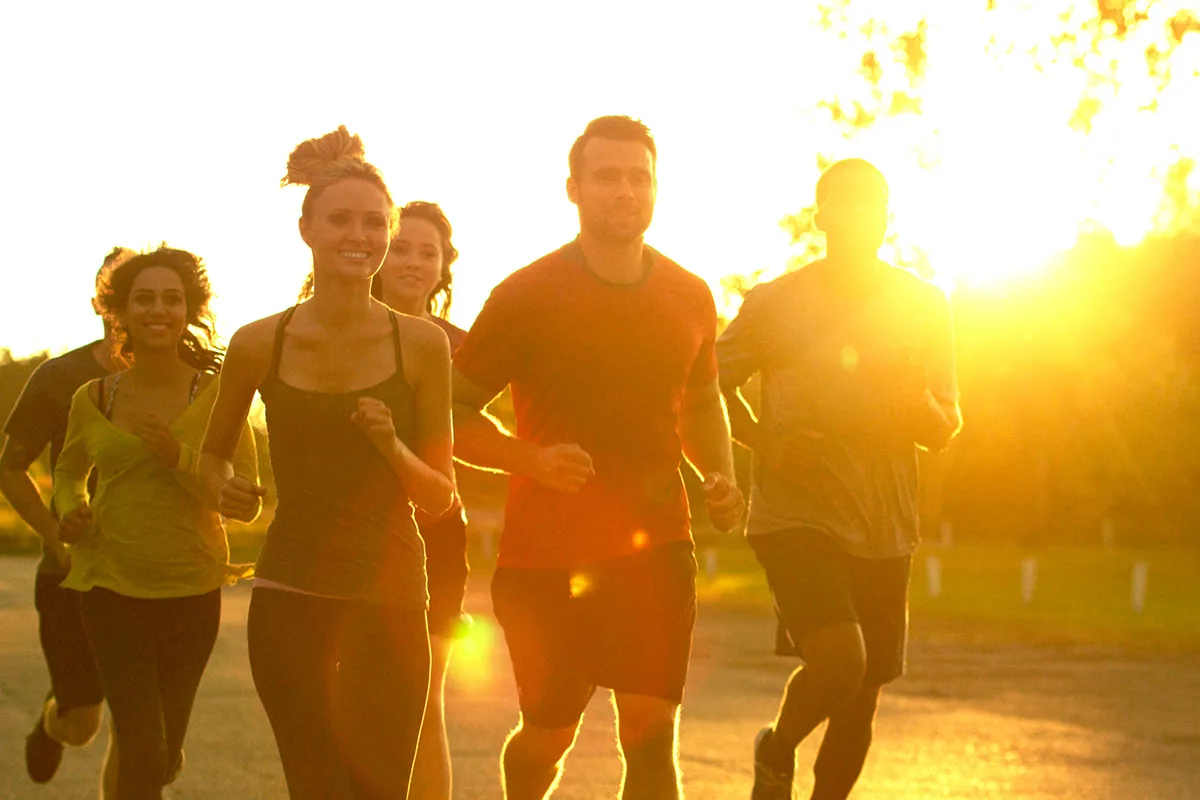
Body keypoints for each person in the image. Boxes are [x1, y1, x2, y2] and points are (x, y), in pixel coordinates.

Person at [451, 115, 744, 800]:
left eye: (638, 177)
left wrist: (720, 474)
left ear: (656, 187)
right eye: (606, 177)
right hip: (546, 557)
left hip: (655, 546)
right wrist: (529, 459)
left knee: (650, 735)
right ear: (573, 189)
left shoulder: (690, 294)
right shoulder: (524, 295)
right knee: (549, 735)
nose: (624, 191)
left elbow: (702, 401)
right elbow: (449, 412)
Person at [200, 126, 455, 799]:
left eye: (375, 223)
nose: (359, 235)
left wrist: (390, 446)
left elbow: (439, 496)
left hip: (393, 598)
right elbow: (211, 459)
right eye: (340, 219)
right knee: (315, 786)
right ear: (306, 227)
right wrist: (225, 490)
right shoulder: (258, 343)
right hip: (291, 598)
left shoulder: (423, 346)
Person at [716, 159, 962, 800]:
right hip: (794, 515)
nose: (859, 220)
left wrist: (916, 406)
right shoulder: (776, 303)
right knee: (841, 663)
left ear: (887, 217)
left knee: (860, 699)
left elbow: (946, 422)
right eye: (844, 206)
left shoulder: (923, 304)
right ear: (821, 216)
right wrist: (767, 442)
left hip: (885, 524)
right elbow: (704, 384)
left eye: (872, 207)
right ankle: (777, 746)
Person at [52, 245, 259, 799]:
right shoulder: (92, 396)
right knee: (142, 749)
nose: (158, 310)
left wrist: (179, 458)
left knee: (160, 758)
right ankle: (85, 731)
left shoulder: (220, 395)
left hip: (190, 589)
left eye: (173, 299)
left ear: (190, 310)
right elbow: (69, 470)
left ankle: (151, 753)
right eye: (144, 299)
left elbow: (243, 497)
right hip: (109, 585)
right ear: (120, 313)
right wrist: (69, 507)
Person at [1, 246, 131, 791]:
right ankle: (55, 723)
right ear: (101, 303)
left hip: (158, 568)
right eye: (126, 296)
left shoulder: (189, 373)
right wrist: (54, 537)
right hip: (72, 569)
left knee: (143, 728)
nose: (142, 309)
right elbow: (9, 467)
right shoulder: (62, 376)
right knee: (84, 725)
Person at [373, 201, 471, 800]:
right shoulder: (336, 331)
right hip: (347, 532)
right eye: (401, 247)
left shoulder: (465, 348)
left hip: (436, 531)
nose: (413, 262)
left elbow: (485, 435)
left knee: (424, 696)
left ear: (443, 269)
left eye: (427, 253)